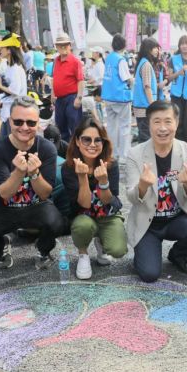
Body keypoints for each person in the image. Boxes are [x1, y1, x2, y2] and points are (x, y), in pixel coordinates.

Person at [0, 96, 63, 270]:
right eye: (18, 122)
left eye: (31, 123)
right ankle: (1, 246)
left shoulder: (47, 148)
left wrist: (34, 173)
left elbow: (44, 194)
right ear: (10, 121)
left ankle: (43, 249)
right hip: (4, 206)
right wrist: (19, 172)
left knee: (57, 222)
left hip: (36, 205)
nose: (24, 127)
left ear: (38, 124)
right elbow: (4, 193)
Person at [125, 100, 187, 282]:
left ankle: (177, 255)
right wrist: (143, 185)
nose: (162, 128)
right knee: (150, 274)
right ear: (148, 124)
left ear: (176, 123)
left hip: (176, 218)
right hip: (148, 223)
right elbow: (131, 197)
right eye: (157, 121)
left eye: (168, 121)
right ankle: (144, 254)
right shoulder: (135, 154)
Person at [61, 118, 127, 279]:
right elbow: (84, 204)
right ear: (77, 141)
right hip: (83, 215)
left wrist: (103, 182)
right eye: (86, 139)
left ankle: (101, 243)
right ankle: (83, 254)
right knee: (83, 226)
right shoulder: (69, 167)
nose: (92, 144)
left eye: (98, 140)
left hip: (107, 214)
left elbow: (109, 201)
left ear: (103, 143)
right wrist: (82, 177)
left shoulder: (110, 164)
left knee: (118, 250)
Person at [0, 39, 28, 140]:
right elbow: (4, 82)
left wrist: (1, 88)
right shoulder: (10, 67)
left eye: (2, 48)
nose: (0, 50)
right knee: (5, 143)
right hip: (9, 111)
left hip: (13, 111)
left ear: (9, 50)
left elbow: (14, 90)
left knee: (8, 142)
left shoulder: (15, 68)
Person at [101, 34, 133, 159]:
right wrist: (133, 80)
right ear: (124, 45)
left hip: (108, 96)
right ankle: (124, 155)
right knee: (125, 125)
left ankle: (112, 153)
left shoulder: (109, 57)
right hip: (120, 97)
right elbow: (126, 78)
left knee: (111, 126)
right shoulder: (121, 59)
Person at [50, 33, 84, 142]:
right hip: (59, 99)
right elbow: (54, 78)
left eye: (66, 44)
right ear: (57, 47)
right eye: (60, 45)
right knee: (60, 127)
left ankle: (77, 152)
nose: (63, 47)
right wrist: (52, 94)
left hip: (71, 98)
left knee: (75, 127)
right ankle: (66, 152)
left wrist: (78, 98)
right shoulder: (56, 60)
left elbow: (80, 80)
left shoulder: (75, 61)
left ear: (70, 45)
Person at [132, 37, 163, 143]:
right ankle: (146, 159)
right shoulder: (146, 64)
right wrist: (152, 106)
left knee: (143, 136)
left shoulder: (142, 62)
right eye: (155, 48)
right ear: (148, 49)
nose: (157, 50)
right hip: (145, 107)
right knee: (146, 139)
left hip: (141, 106)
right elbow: (147, 86)